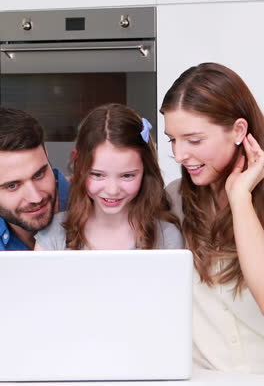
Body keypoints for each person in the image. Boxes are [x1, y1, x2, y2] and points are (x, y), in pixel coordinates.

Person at [160, 62, 264, 374]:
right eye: (172, 140)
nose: (179, 156)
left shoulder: (247, 201)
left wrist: (240, 199)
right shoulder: (174, 199)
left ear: (238, 131)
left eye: (193, 140)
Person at [34, 103, 183, 251]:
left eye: (127, 176)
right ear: (78, 165)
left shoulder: (166, 236)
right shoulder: (54, 234)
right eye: (97, 174)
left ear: (145, 170)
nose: (112, 190)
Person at [0, 107, 70, 250]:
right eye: (12, 186)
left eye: (39, 175)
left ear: (47, 157)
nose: (36, 198)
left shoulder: (101, 205)